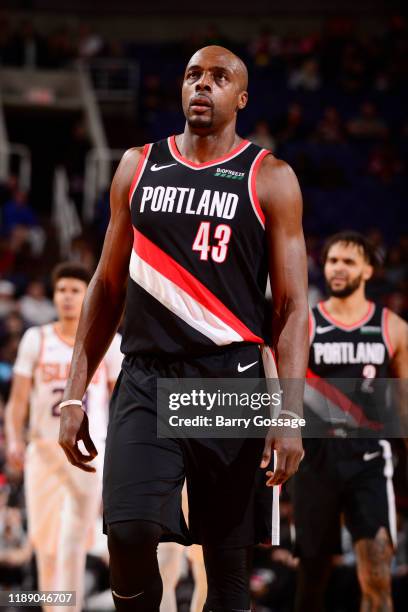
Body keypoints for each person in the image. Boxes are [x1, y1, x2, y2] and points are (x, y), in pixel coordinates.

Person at [58, 45, 308, 612]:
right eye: (193, 75)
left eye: (219, 78)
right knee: (128, 533)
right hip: (146, 376)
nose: (202, 85)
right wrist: (74, 393)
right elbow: (106, 285)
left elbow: (293, 308)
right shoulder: (138, 165)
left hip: (228, 380)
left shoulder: (270, 177)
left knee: (226, 568)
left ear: (240, 98)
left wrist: (289, 415)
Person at [293, 231, 408, 612]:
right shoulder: (305, 325)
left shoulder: (393, 328)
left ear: (369, 270)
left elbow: (405, 407)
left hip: (370, 458)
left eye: (348, 261)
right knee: (310, 577)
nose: (338, 268)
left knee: (376, 575)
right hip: (315, 457)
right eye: (332, 261)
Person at [5, 262, 122, 612]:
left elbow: (120, 404)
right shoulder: (35, 338)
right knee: (45, 546)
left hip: (89, 452)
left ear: (87, 294)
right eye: (61, 290)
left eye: (74, 290)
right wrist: (13, 439)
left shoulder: (110, 343)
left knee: (72, 540)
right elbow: (18, 402)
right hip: (43, 451)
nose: (67, 297)